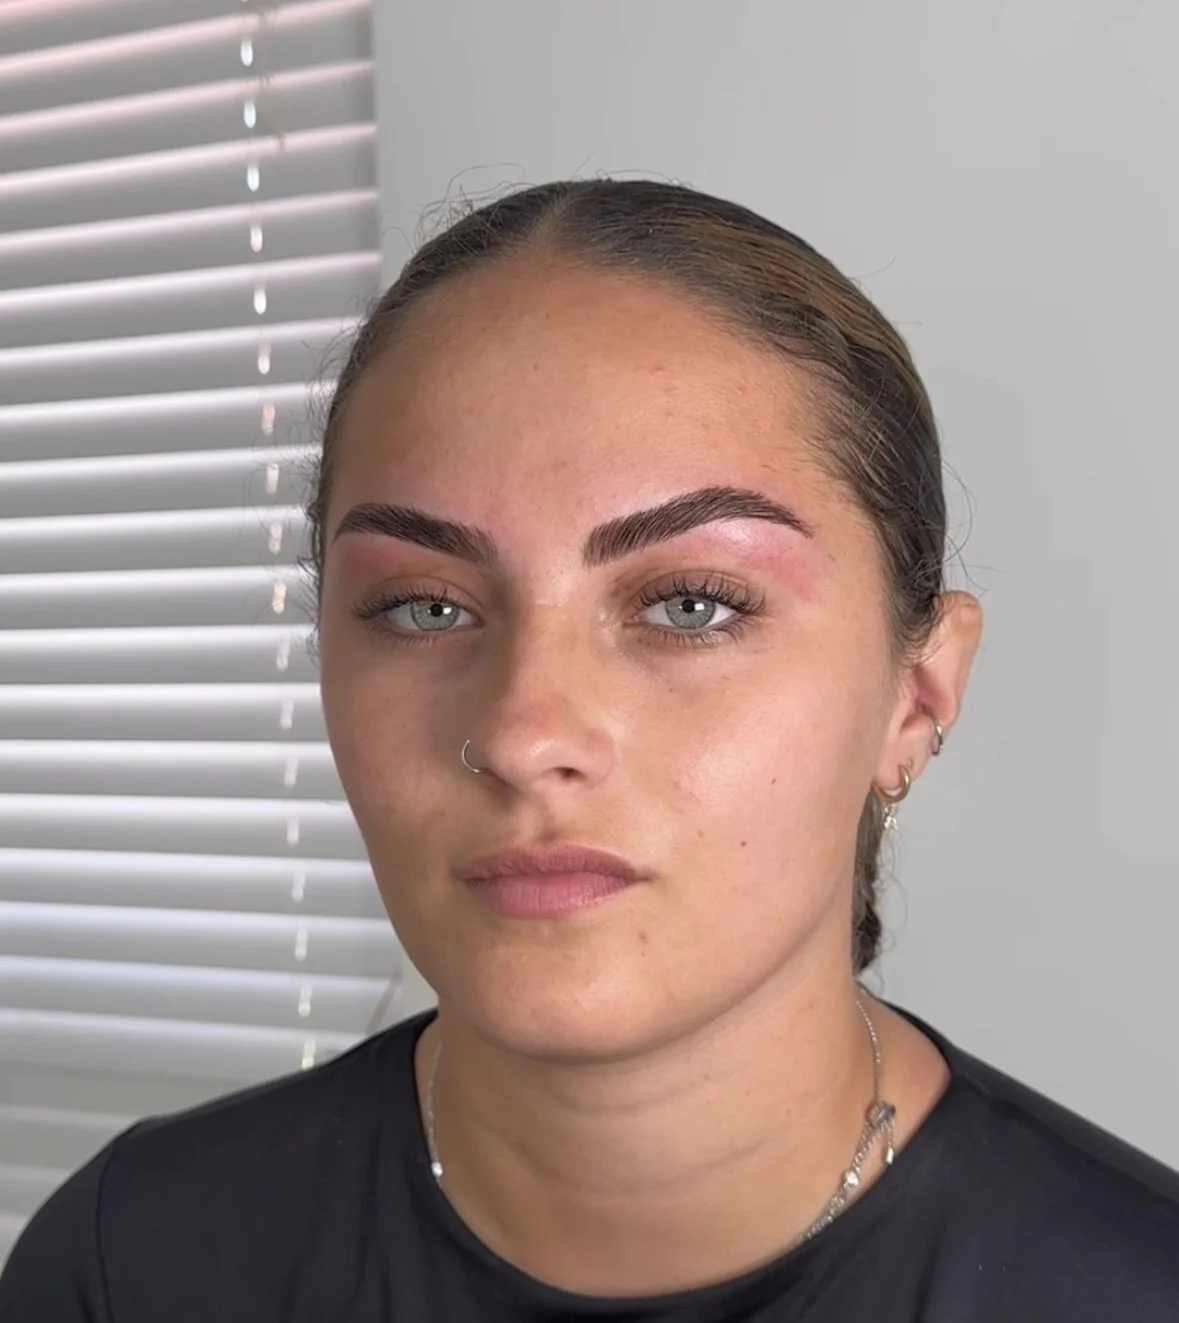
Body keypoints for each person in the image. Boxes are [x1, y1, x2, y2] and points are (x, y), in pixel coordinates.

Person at [2, 177, 1176, 1322]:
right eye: (424, 606)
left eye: (693, 606)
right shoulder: (133, 1264)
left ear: (915, 695)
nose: (522, 735)